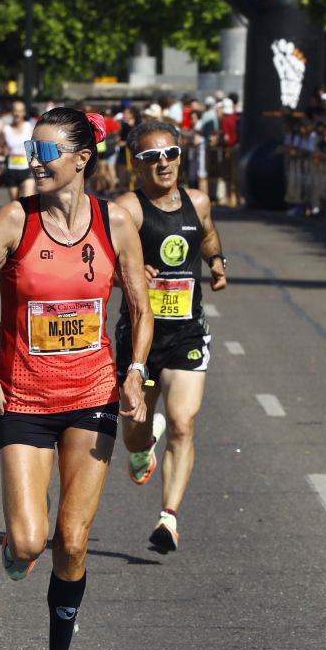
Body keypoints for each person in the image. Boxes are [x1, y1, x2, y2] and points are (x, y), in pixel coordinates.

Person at [0, 107, 152, 650]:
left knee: (73, 538)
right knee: (32, 540)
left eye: (47, 152)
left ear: (82, 158)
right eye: (31, 150)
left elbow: (140, 306)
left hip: (91, 396)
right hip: (26, 401)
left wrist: (135, 370)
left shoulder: (117, 223)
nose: (35, 161)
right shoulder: (16, 220)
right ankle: (18, 546)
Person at [112, 118, 227, 554]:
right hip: (140, 338)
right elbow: (97, 265)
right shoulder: (128, 209)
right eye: (151, 156)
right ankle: (143, 447)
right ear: (135, 163)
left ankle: (169, 518)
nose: (163, 163)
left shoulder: (197, 202)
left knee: (183, 421)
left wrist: (217, 263)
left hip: (186, 335)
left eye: (171, 153)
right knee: (135, 437)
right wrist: (128, 274)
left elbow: (209, 234)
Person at [0, 100, 37, 202]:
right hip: (12, 169)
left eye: (20, 111)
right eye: (15, 111)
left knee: (28, 200)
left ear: (24, 113)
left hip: (28, 169)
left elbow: (37, 146)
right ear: (11, 112)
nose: (17, 114)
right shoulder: (5, 130)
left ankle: (29, 217)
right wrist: (3, 152)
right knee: (15, 203)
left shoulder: (30, 128)